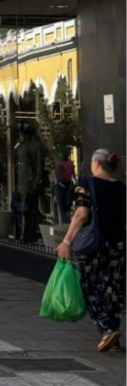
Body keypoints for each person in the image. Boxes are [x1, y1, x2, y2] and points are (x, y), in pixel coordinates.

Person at [56, 148, 125, 352]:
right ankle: (113, 339)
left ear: (96, 164)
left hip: (93, 246)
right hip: (119, 246)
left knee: (87, 285)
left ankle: (107, 329)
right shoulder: (123, 188)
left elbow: (81, 215)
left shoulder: (87, 184)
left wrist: (67, 241)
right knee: (113, 291)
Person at [54, 148, 77, 225]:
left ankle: (67, 215)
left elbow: (73, 174)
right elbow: (58, 174)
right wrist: (60, 181)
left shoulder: (70, 163)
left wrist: (74, 181)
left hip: (68, 183)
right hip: (62, 184)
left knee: (68, 200)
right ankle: (62, 218)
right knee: (62, 201)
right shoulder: (59, 163)